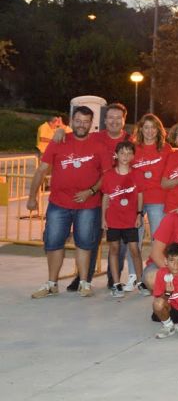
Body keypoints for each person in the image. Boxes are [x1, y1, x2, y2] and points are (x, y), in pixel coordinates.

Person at [28, 106, 109, 299]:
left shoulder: (99, 146)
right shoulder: (59, 140)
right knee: (53, 243)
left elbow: (108, 175)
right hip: (59, 204)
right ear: (72, 121)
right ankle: (51, 283)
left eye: (86, 121)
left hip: (88, 205)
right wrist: (32, 197)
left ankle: (84, 283)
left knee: (84, 243)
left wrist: (90, 191)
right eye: (78, 121)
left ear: (92, 123)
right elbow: (41, 170)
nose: (82, 125)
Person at [131, 113, 169, 291]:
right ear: (141, 129)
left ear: (158, 130)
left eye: (153, 127)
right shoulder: (133, 147)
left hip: (157, 199)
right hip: (135, 199)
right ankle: (135, 277)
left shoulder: (165, 148)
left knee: (158, 240)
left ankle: (155, 278)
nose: (149, 131)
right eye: (146, 127)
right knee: (134, 239)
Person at [101, 142, 144, 298]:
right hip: (113, 219)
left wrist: (139, 214)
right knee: (114, 250)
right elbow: (105, 197)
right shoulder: (109, 175)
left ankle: (140, 282)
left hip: (130, 220)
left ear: (133, 156)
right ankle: (117, 284)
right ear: (116, 155)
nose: (125, 156)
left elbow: (140, 195)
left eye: (128, 153)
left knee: (134, 250)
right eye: (122, 153)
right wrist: (102, 219)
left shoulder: (137, 174)